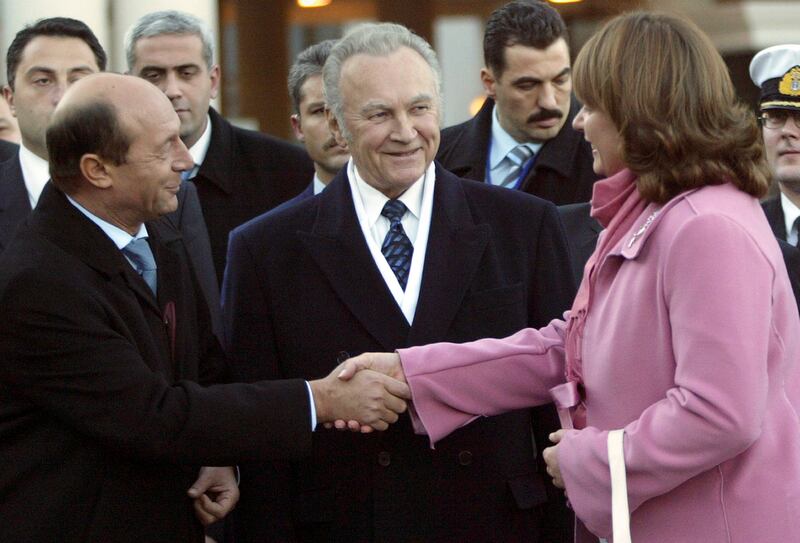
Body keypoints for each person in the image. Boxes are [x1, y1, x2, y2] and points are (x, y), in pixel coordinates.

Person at [340, 12, 800, 542]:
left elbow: (721, 413)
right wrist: (413, 372)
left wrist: (593, 460)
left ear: (638, 113)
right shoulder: (656, 213)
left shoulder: (707, 226)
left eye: (593, 106)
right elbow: (569, 347)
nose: (578, 121)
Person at [0, 72, 409, 543]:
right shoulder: (39, 283)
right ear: (98, 170)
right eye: (164, 147)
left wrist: (220, 454)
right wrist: (320, 399)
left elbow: (202, 364)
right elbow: (151, 415)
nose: (185, 160)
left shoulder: (156, 230)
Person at [223, 22, 575, 543]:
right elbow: (260, 431)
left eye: (419, 108)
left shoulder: (526, 226)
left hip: (495, 522)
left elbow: (562, 400)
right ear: (339, 125)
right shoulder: (264, 250)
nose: (406, 131)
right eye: (379, 114)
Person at [0, 17, 221, 336]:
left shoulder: (173, 197)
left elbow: (199, 334)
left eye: (79, 79)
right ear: (10, 99)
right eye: (43, 80)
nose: (63, 96)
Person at [125, 10, 314, 283]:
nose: (172, 90)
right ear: (129, 83)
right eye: (154, 75)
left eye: (186, 73)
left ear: (213, 81)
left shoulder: (286, 170)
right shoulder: (109, 175)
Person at [436, 0, 597, 205]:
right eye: (528, 85)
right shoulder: (437, 158)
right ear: (490, 83)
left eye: (560, 80)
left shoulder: (602, 158)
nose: (549, 102)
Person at [286, 39, 349, 202]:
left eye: (347, 107)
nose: (338, 125)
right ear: (298, 127)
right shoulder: (275, 227)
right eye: (320, 111)